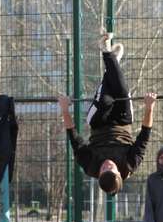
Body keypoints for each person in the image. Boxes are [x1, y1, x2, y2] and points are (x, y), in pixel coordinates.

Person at [58, 33, 157, 195]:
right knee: (123, 92)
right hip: (123, 123)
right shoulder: (130, 164)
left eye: (103, 169)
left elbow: (74, 137)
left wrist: (64, 109)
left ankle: (109, 56)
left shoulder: (90, 165)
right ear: (119, 174)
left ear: (98, 174)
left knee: (105, 100)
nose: (106, 165)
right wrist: (149, 107)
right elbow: (145, 135)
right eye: (110, 168)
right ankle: (111, 59)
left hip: (98, 123)